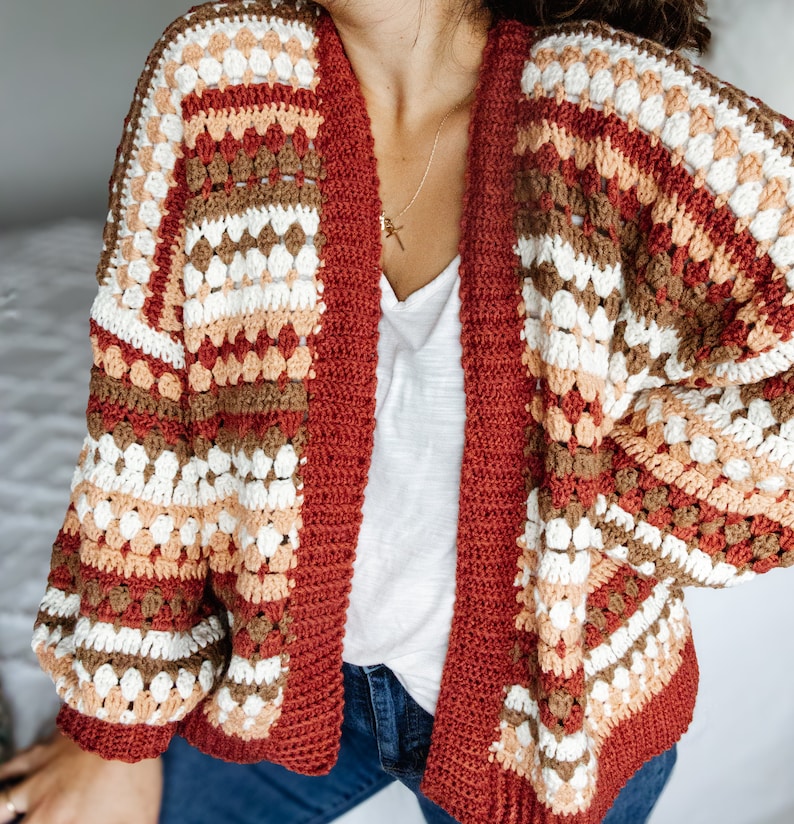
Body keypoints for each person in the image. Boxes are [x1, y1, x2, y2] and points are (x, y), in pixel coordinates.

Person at [2, 0, 793, 821]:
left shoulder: (612, 112)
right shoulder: (217, 79)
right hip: (282, 666)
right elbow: (144, 422)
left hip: (544, 715)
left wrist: (585, 500)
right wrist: (110, 734)